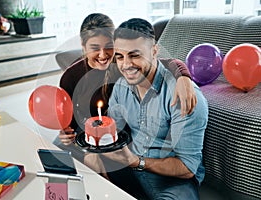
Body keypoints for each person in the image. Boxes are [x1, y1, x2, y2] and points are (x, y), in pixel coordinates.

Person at [52, 13, 197, 174]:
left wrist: (183, 77)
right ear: (83, 46)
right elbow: (70, 122)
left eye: (109, 46)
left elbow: (161, 62)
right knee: (56, 150)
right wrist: (67, 133)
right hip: (87, 132)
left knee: (100, 162)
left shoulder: (122, 64)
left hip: (117, 134)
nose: (103, 55)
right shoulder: (71, 76)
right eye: (94, 48)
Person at [101, 18, 208, 199]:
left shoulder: (183, 96)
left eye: (134, 55)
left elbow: (188, 168)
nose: (126, 65)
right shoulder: (121, 86)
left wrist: (136, 162)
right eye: (120, 57)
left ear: (154, 51)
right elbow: (113, 131)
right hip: (130, 166)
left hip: (174, 181)